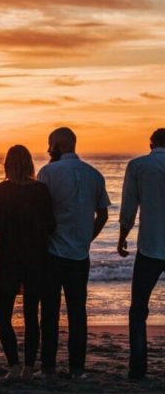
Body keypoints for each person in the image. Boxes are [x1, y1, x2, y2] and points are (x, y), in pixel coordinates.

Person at [38, 127, 110, 379]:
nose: (48, 150)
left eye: (50, 144)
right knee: (78, 313)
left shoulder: (47, 172)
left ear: (59, 144)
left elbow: (40, 212)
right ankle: (77, 369)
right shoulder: (94, 174)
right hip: (80, 253)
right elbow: (103, 214)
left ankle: (48, 368)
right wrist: (88, 238)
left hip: (53, 252)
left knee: (49, 312)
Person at [0, 145, 55, 380]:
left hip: (9, 258)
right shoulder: (41, 190)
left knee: (4, 315)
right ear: (30, 164)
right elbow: (51, 225)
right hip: (37, 258)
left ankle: (13, 366)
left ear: (7, 165)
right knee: (31, 315)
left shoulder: (0, 190)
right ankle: (29, 367)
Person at [118, 128, 165, 380]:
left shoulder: (138, 166)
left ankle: (138, 368)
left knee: (138, 308)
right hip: (152, 245)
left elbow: (129, 206)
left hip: (150, 246)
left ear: (151, 144)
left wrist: (122, 236)